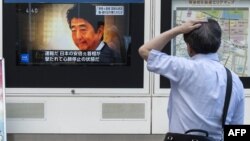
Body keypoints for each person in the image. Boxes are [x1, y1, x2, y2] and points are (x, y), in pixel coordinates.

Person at [138, 19, 244, 140]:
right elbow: (237, 131)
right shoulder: (234, 80)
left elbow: (144, 50)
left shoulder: (182, 68)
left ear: (189, 47)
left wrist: (178, 30)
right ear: (219, 45)